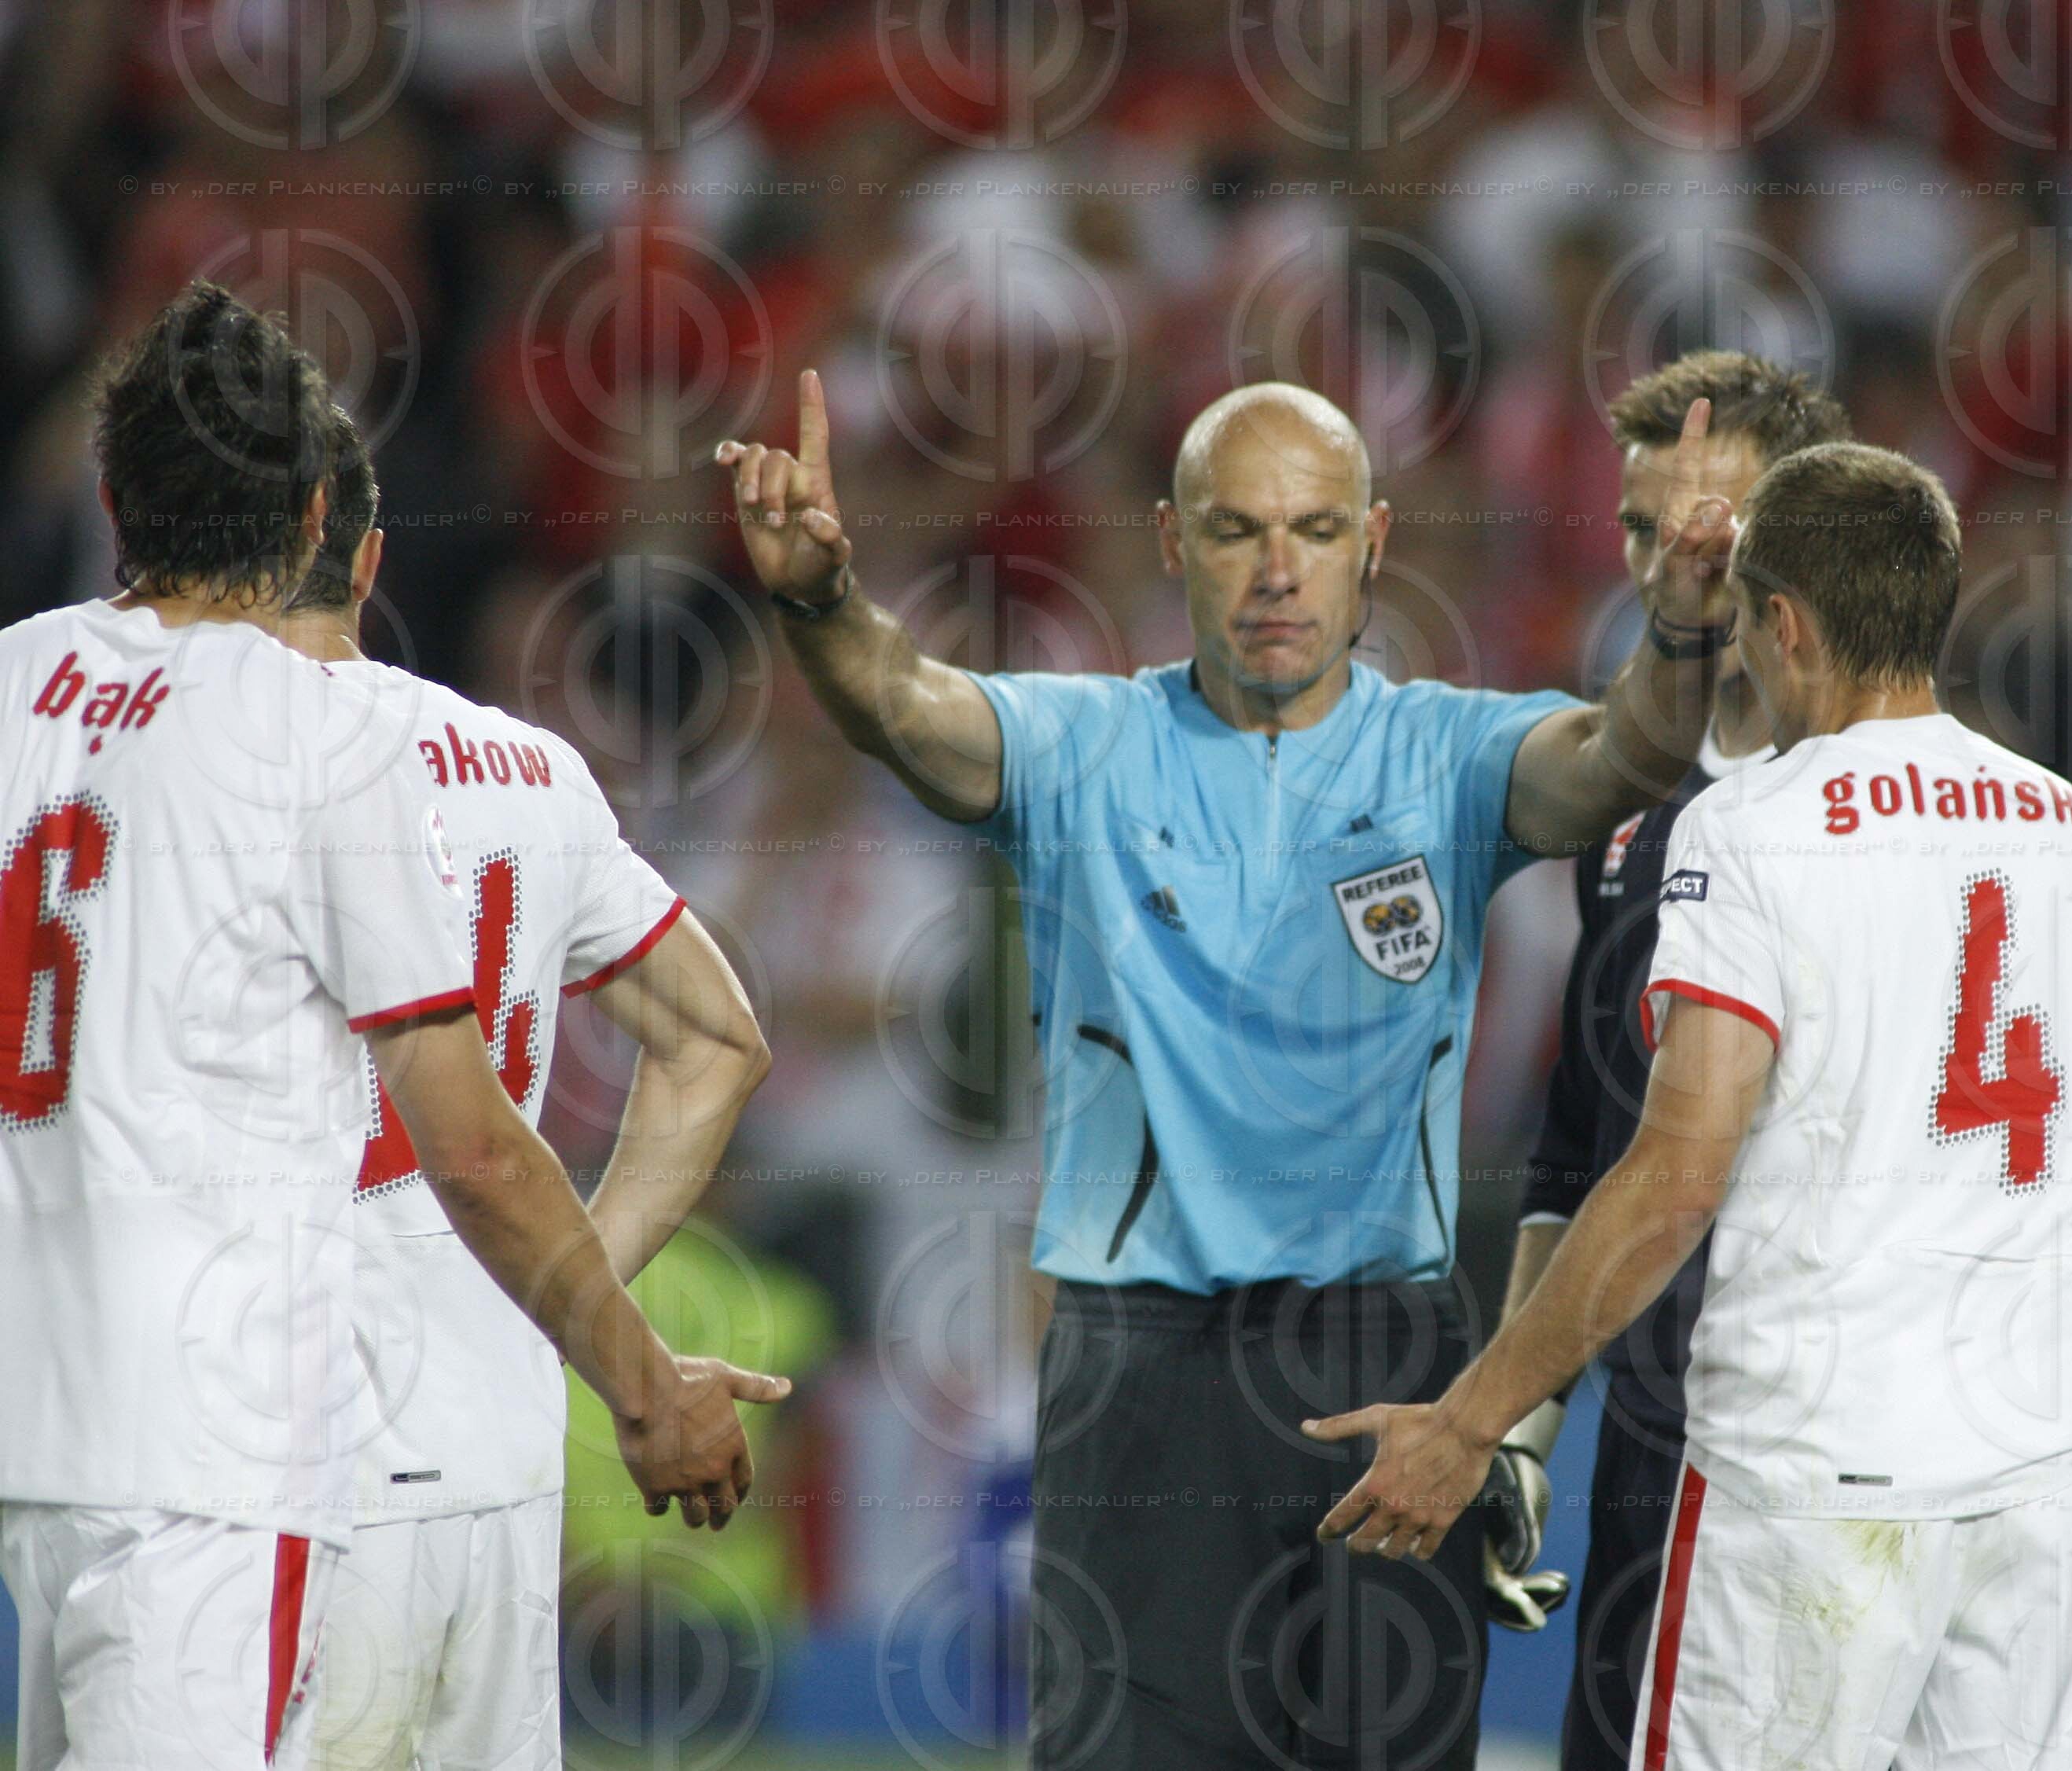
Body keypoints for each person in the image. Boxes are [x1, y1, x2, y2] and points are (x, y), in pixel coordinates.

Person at [716, 371, 1736, 1768]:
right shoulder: (1081, 746)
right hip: (1143, 1375)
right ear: (1171, 541)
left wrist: (1681, 626)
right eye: (1236, 528)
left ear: (1372, 543)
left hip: (1388, 1361)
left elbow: (1628, 751)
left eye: (1313, 529)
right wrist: (824, 599)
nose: (1276, 570)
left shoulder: (1450, 753)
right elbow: (901, 703)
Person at [0, 284, 785, 1771]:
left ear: (111, 502)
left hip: (49, 1429)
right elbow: (491, 1133)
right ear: (332, 529)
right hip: (253, 1444)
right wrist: (628, 1366)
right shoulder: (357, 742)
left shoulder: (17, 679)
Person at [1310, 442, 2072, 1769]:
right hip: (2047, 1477)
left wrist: (1470, 1420)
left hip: (1809, 1480)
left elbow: (1674, 1179)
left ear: (1784, 624)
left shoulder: (1748, 828)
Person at [263, 415, 773, 1771]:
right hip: (498, 1449)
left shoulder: (219, 774)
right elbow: (719, 1039)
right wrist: (566, 1293)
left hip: (290, 1452)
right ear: (366, 559)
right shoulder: (532, 768)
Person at [1481, 354, 1853, 1771]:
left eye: (1713, 523)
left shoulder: (1887, 807)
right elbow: (1578, 1144)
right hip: (1655, 1448)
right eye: (1644, 525)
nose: (1669, 558)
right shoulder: (1631, 809)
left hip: (1837, 1438)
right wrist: (1524, 1434)